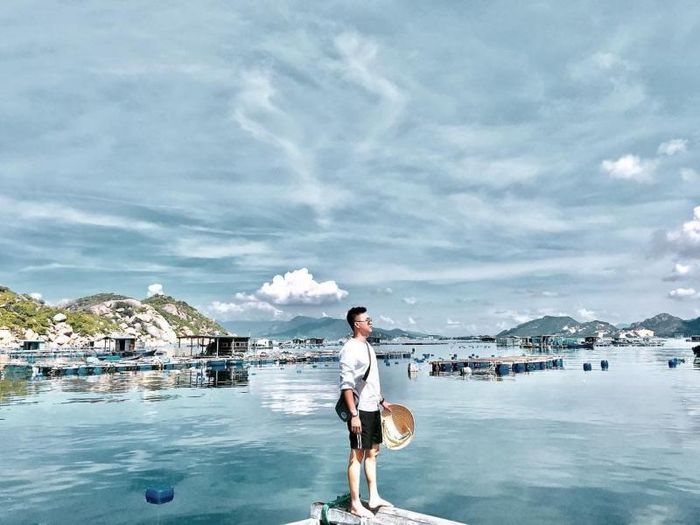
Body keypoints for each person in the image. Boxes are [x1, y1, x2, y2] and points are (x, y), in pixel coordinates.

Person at [339, 306, 393, 518]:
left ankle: (374, 496)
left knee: (373, 452)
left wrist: (382, 400)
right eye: (367, 320)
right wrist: (354, 415)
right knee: (357, 455)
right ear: (357, 324)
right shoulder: (350, 348)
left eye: (371, 319)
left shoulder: (368, 346)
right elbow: (346, 385)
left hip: (373, 407)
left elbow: (369, 381)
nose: (371, 323)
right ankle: (355, 503)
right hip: (359, 411)